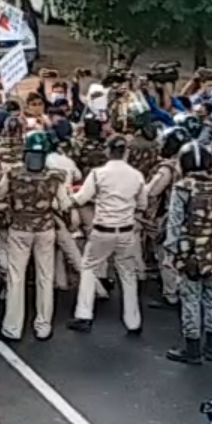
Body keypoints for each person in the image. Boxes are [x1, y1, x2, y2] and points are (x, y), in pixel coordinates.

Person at [68, 137, 147, 333]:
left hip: (103, 230)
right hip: (127, 231)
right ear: (126, 152)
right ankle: (133, 321)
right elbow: (142, 204)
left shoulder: (98, 174)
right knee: (128, 275)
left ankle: (84, 315)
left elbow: (81, 199)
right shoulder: (136, 175)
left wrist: (68, 197)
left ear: (107, 151)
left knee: (89, 267)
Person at [0, 132, 68, 342]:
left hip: (19, 229)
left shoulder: (13, 174)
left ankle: (12, 327)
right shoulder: (55, 177)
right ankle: (43, 325)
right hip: (45, 229)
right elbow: (65, 204)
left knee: (16, 278)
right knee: (45, 277)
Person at [163, 142, 212, 363]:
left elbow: (174, 223)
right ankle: (211, 345)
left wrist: (170, 253)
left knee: (191, 298)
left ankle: (192, 347)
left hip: (190, 252)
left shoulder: (183, 187)